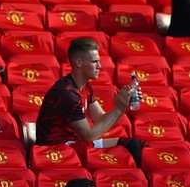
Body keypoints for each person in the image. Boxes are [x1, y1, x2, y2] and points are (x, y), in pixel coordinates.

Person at [35, 38, 146, 166]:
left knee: (134, 145)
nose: (99, 66)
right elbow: (89, 135)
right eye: (95, 62)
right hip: (58, 149)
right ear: (79, 63)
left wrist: (124, 104)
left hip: (76, 144)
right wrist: (118, 109)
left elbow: (101, 119)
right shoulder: (67, 93)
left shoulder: (85, 87)